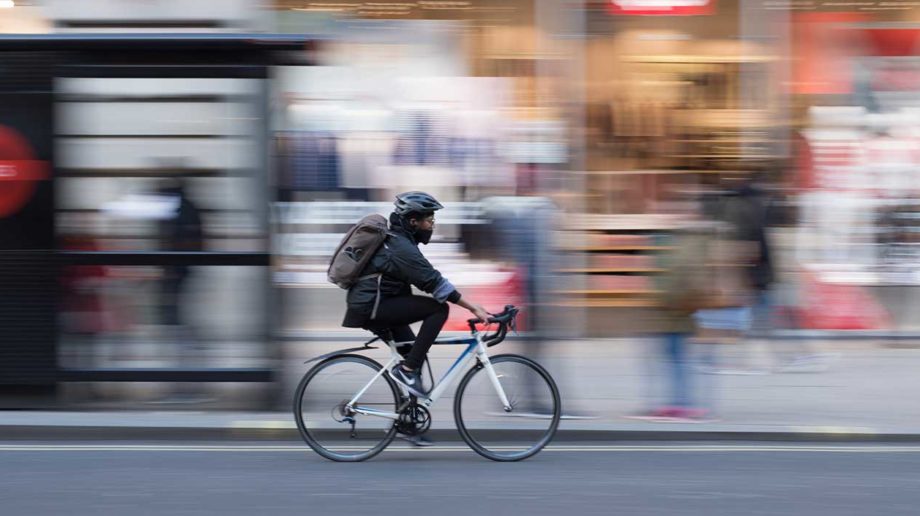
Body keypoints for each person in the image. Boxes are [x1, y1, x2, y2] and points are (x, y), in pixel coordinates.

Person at [342, 191, 491, 399]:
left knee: (414, 354)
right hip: (372, 306)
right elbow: (433, 282)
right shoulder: (400, 247)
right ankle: (407, 371)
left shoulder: (400, 241)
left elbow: (427, 279)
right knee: (439, 309)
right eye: (429, 220)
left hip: (378, 304)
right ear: (413, 221)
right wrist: (473, 307)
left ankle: (409, 423)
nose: (432, 225)